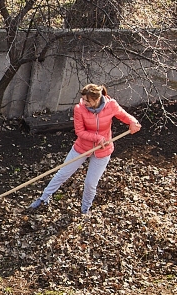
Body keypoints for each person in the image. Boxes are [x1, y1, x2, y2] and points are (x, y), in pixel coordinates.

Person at [29, 84, 141, 214]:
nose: (84, 102)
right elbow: (80, 132)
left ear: (97, 99)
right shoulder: (79, 109)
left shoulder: (111, 105)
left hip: (103, 151)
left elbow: (124, 115)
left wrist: (133, 122)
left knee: (90, 184)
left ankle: (85, 209)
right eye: (83, 99)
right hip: (82, 147)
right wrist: (97, 138)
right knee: (63, 173)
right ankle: (43, 198)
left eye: (87, 100)